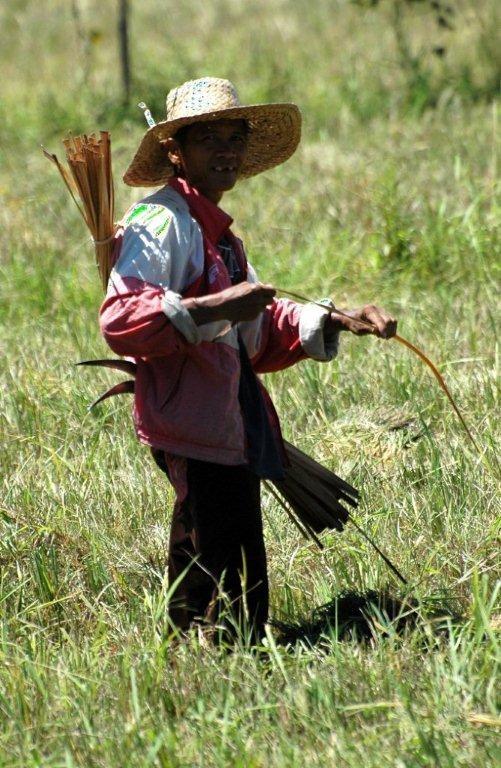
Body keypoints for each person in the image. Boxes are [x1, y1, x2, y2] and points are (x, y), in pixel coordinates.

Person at [99, 77, 397, 642]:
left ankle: (220, 653)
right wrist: (217, 304)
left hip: (225, 418)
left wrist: (336, 318)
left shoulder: (220, 236)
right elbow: (121, 318)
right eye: (209, 138)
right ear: (175, 150)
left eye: (234, 137)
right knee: (213, 547)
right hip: (191, 423)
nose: (227, 152)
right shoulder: (160, 222)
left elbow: (254, 337)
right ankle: (204, 655)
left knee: (228, 547)